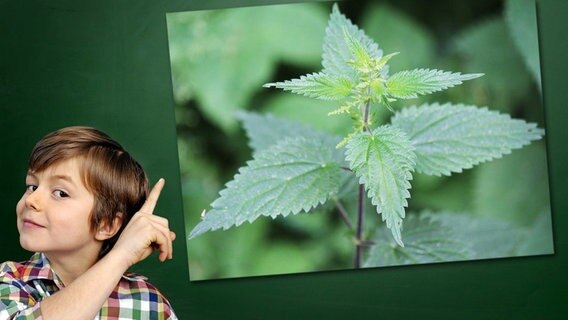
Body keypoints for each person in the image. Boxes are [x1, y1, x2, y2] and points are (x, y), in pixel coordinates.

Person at [0, 126, 177, 319]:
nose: (31, 200)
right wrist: (122, 254)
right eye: (32, 186)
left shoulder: (150, 305)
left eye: (60, 193)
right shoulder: (8, 280)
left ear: (106, 224)